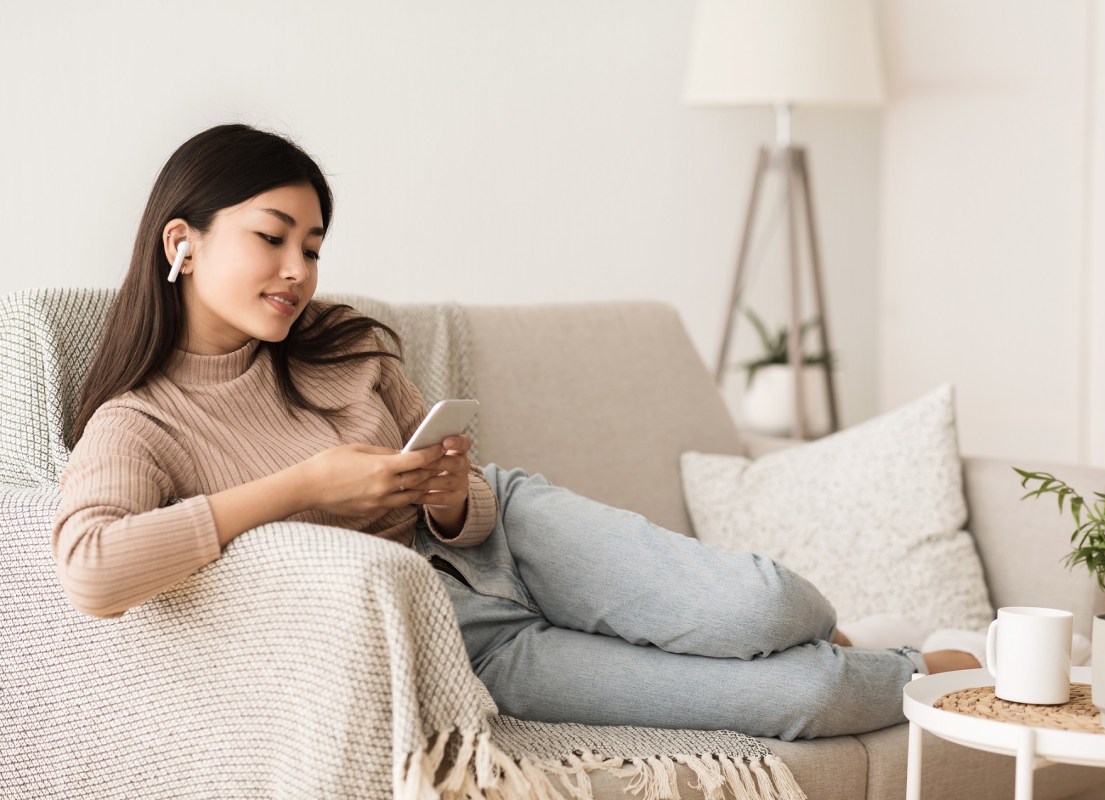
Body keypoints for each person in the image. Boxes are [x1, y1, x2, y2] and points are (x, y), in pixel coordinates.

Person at [52, 124, 981, 743]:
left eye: (315, 246)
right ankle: (932, 664)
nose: (299, 269)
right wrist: (304, 490)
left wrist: (455, 497)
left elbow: (465, 494)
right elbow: (90, 570)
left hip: (521, 537)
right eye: (274, 236)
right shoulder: (139, 423)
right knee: (807, 697)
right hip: (467, 645)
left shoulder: (344, 351)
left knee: (766, 608)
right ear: (182, 242)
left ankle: (857, 634)